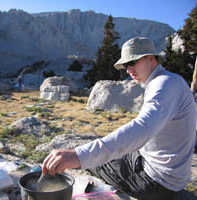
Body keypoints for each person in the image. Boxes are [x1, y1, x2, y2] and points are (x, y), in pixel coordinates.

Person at [42, 37, 196, 200]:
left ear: (151, 59)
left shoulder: (163, 84)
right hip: (163, 169)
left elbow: (143, 127)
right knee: (105, 152)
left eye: (132, 62)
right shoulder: (170, 81)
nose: (128, 69)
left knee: (94, 162)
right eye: (125, 65)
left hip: (156, 180)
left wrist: (79, 156)